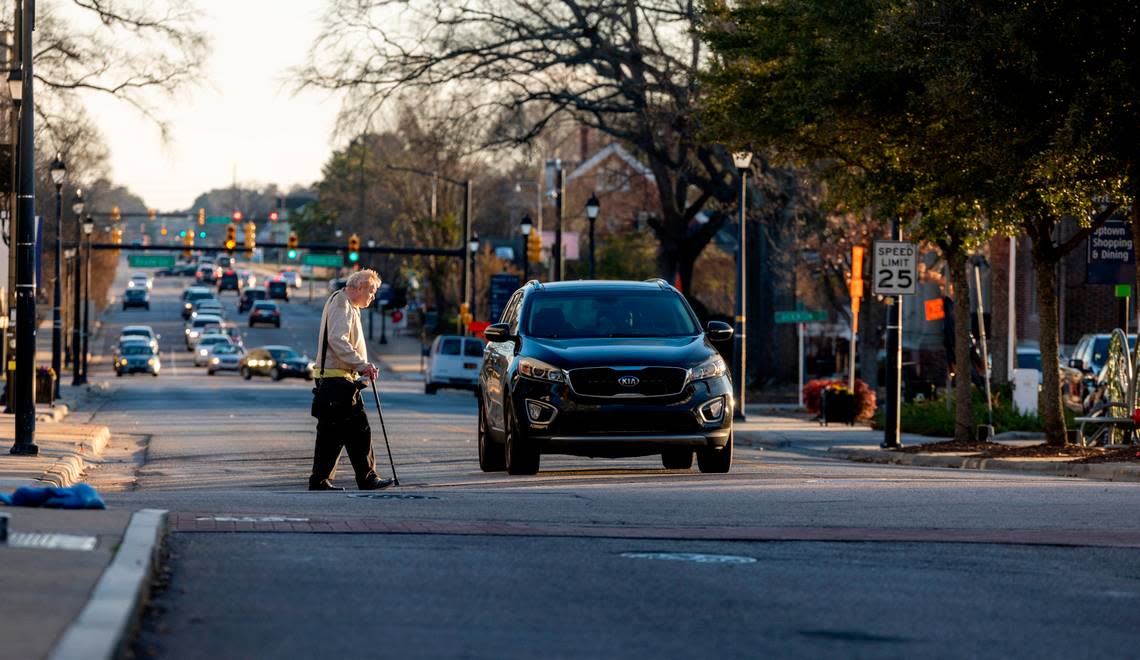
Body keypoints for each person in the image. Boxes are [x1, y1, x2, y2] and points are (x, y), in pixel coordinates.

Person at [309, 269, 393, 491]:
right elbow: (338, 340)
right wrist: (362, 364)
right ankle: (367, 478)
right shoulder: (342, 304)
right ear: (358, 288)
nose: (373, 297)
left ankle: (319, 480)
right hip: (338, 383)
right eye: (371, 292)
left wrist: (360, 367)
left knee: (332, 434)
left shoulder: (347, 305)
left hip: (334, 383)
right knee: (359, 430)